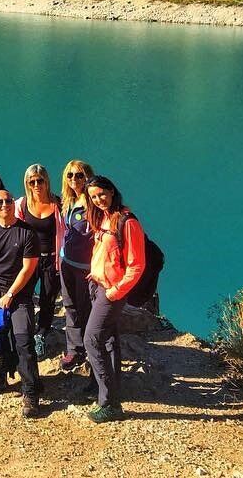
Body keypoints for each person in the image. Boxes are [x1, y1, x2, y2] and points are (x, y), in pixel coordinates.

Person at [84, 175, 146, 423]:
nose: (98, 200)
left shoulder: (127, 222)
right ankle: (109, 391)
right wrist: (95, 272)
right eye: (93, 197)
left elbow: (136, 265)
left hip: (111, 292)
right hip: (98, 285)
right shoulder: (105, 217)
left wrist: (114, 292)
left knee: (91, 339)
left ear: (111, 191)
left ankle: (109, 402)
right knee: (107, 339)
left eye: (101, 194)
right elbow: (105, 251)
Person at [0, 189, 41, 418]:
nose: (4, 205)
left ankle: (31, 392)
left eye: (8, 201)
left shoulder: (27, 232)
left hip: (19, 296)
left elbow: (28, 268)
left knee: (23, 342)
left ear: (13, 204)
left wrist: (10, 295)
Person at [14, 163, 63, 360]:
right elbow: (14, 231)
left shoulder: (58, 204)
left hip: (52, 259)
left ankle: (41, 333)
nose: (36, 184)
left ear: (47, 181)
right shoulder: (21, 204)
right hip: (29, 260)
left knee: (48, 298)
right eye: (31, 181)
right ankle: (23, 331)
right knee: (23, 295)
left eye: (40, 180)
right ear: (27, 183)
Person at [59, 159, 95, 371]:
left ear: (87, 176)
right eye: (70, 175)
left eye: (79, 175)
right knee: (70, 306)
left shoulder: (92, 203)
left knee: (86, 308)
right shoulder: (69, 201)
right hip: (68, 262)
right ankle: (74, 349)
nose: (74, 179)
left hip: (86, 267)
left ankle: (91, 350)